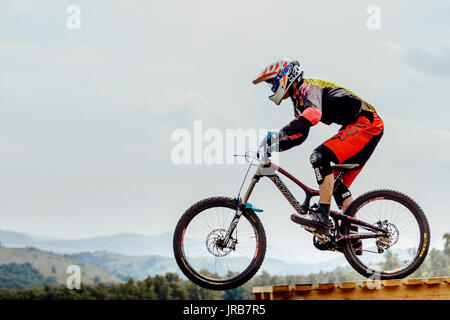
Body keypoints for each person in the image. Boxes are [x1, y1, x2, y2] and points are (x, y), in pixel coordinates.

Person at [253, 59, 384, 236]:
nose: (272, 89)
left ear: (285, 78)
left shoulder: (307, 88)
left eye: (273, 83)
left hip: (366, 123)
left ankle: (322, 216)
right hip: (361, 126)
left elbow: (314, 115)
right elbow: (300, 136)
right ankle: (353, 240)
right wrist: (275, 146)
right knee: (337, 187)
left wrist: (280, 132)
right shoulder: (298, 102)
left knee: (319, 156)